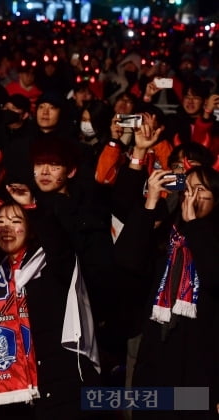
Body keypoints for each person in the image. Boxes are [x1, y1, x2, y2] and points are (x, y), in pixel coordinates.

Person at [0, 198, 101, 420]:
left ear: (30, 229)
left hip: (54, 385)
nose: (6, 228)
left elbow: (61, 251)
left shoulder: (48, 263)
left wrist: (36, 207)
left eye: (15, 221)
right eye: (1, 221)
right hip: (3, 392)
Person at [114, 165, 219, 419]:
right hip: (156, 359)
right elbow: (127, 261)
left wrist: (195, 225)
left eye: (201, 190)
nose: (191, 196)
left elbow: (215, 276)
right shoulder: (167, 236)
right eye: (187, 188)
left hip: (199, 366)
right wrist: (151, 201)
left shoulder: (212, 238)